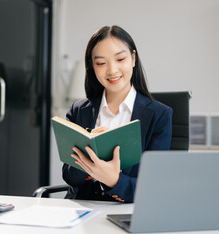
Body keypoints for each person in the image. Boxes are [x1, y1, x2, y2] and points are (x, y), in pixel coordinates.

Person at [62, 25, 172, 203]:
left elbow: (153, 187)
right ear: (92, 66)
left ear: (133, 59)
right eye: (101, 63)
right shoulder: (78, 110)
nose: (112, 70)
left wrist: (113, 180)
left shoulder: (159, 115)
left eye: (120, 59)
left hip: (129, 211)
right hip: (82, 211)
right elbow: (69, 177)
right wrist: (88, 150)